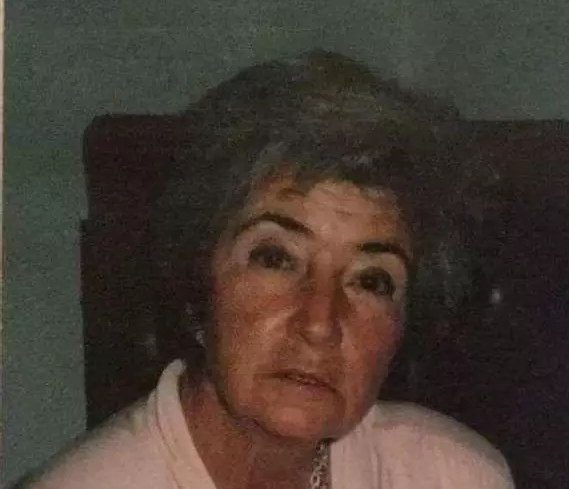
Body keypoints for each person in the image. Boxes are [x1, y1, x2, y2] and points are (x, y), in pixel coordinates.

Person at [21, 50, 514, 488]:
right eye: (276, 258)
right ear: (198, 288)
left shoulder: (453, 477)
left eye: (371, 280)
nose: (320, 323)